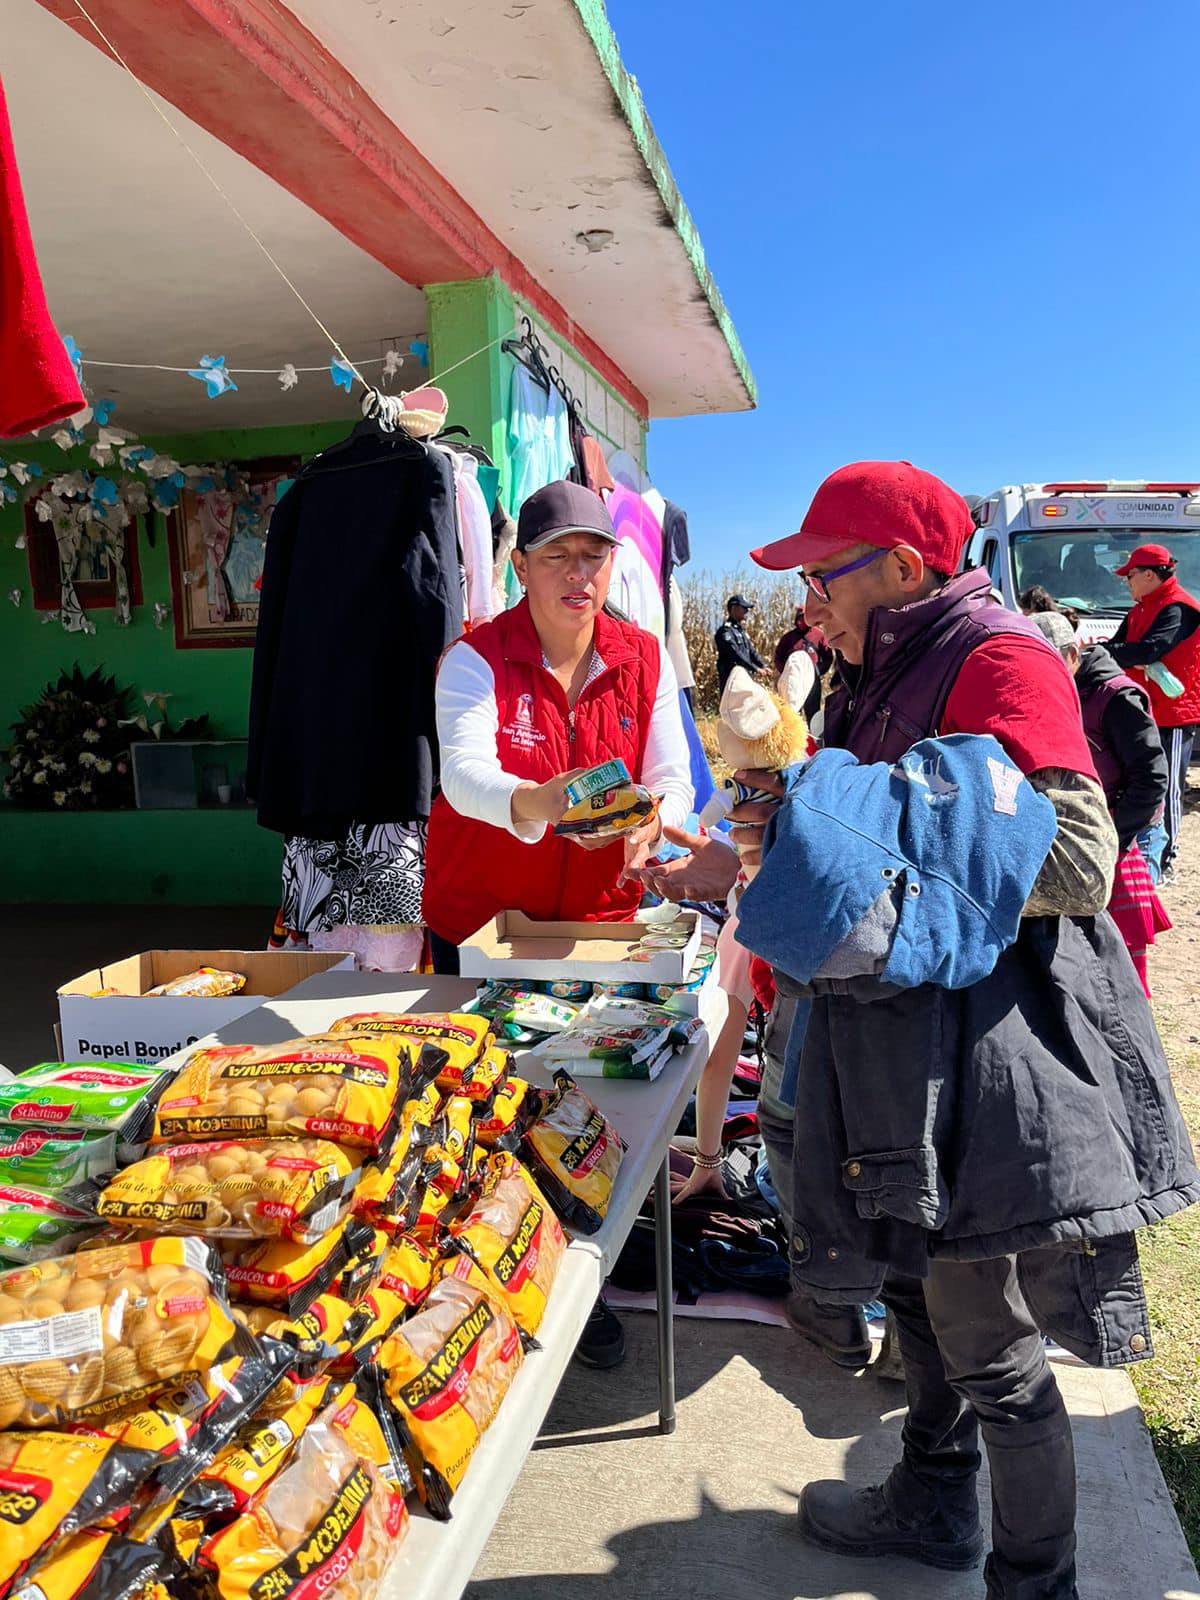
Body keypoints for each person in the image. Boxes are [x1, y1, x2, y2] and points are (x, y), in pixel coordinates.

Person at [638, 461, 1199, 1600]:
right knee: (913, 1283)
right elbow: (842, 838)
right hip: (895, 1043)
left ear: (902, 568)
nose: (807, 603)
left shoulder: (999, 658)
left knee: (988, 1338)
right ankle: (935, 1501)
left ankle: (1038, 1583)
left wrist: (885, 854)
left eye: (822, 576)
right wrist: (728, 860)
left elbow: (1081, 857)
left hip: (988, 1047)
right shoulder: (871, 665)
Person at [423, 478, 693, 1371]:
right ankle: (488, 1281)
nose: (580, 574)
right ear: (519, 566)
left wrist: (653, 818)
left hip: (602, 927)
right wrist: (537, 799)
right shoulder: (474, 657)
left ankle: (588, 1280)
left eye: (594, 555)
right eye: (557, 557)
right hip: (484, 925)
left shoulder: (642, 654)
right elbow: (464, 775)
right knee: (489, 1111)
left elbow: (671, 772)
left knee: (595, 1112)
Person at [1032, 610, 1170, 995]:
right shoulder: (1054, 690)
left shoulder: (1116, 697)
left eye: (1048, 662)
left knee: (1122, 968)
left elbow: (1152, 779)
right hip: (1071, 839)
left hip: (1116, 842)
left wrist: (1112, 839)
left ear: (1073, 655)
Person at [1107, 544, 1200, 878]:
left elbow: (1151, 649)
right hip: (1142, 707)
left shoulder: (1178, 607)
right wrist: (1115, 653)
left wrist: (1121, 653)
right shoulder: (1141, 607)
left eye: (1130, 575)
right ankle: (1142, 852)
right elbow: (1123, 649)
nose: (1125, 582)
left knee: (1168, 786)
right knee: (1138, 782)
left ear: (1149, 575)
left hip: (1173, 714)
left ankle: (1166, 859)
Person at [714, 594, 766, 691]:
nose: (747, 611)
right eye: (744, 608)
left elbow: (751, 651)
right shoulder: (726, 631)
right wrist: (755, 668)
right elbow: (736, 654)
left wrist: (762, 665)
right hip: (731, 680)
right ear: (734, 608)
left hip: (745, 678)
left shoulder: (740, 631)